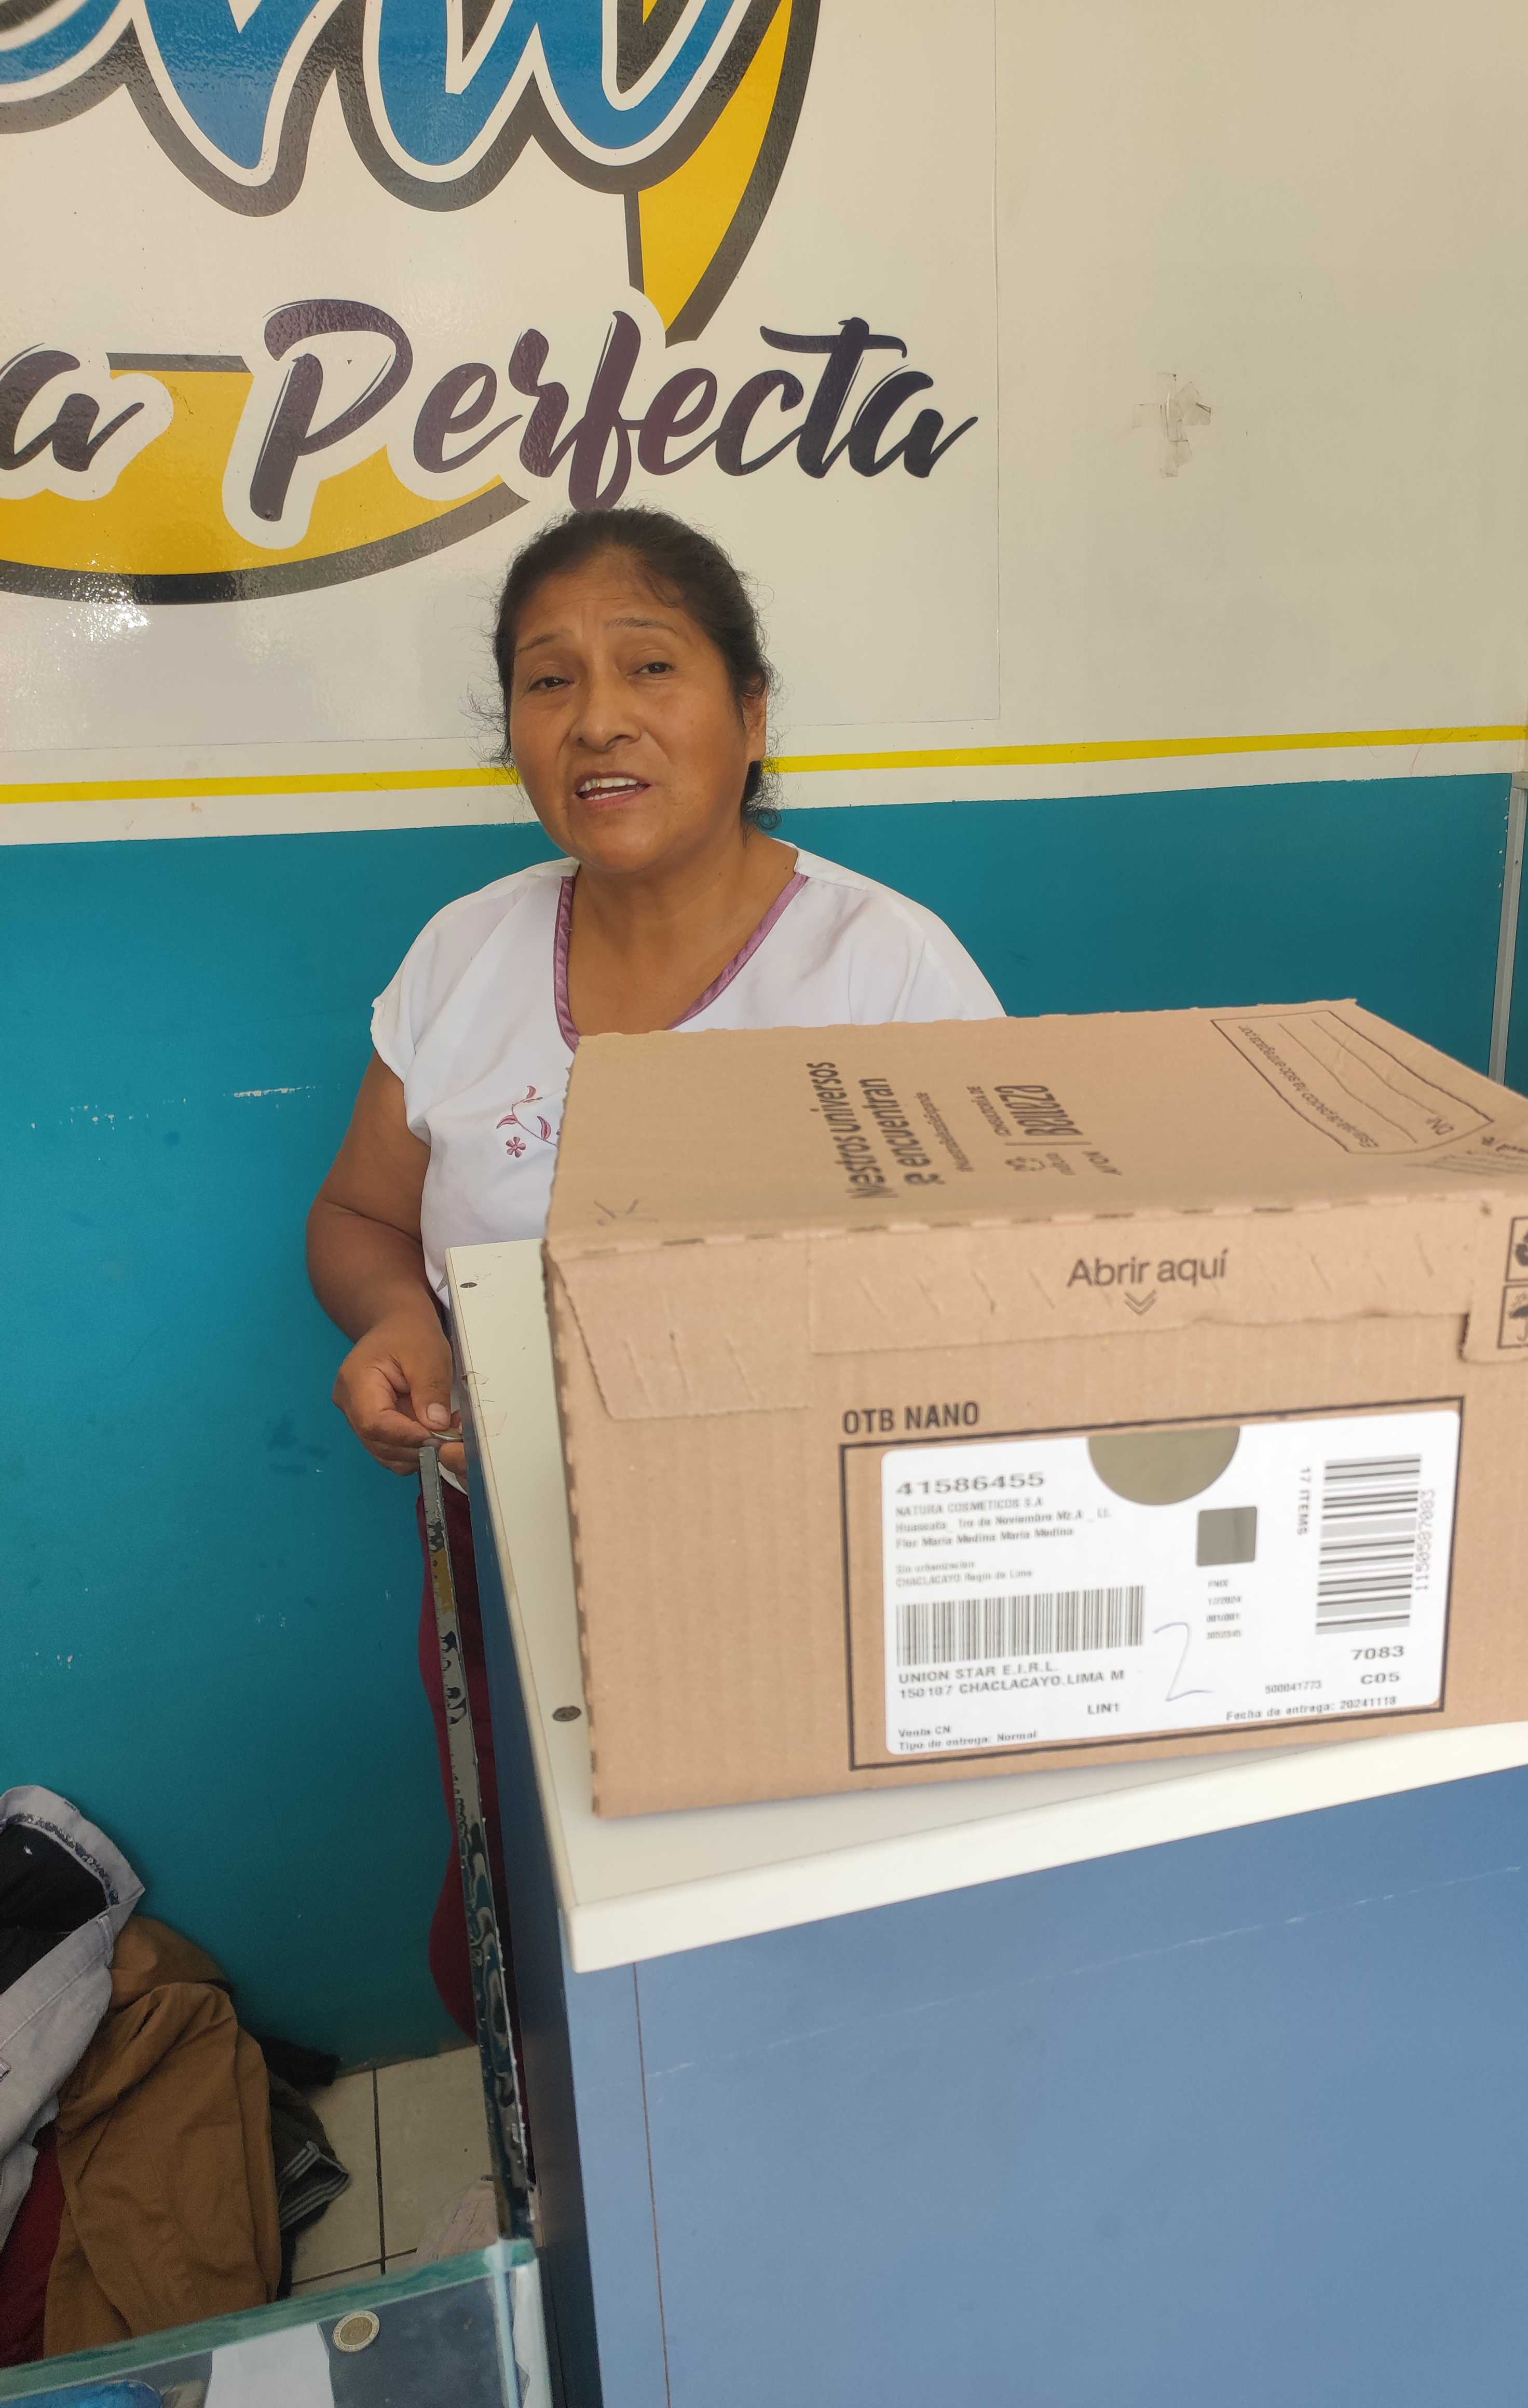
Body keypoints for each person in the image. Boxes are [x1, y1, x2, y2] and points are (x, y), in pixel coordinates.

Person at [307, 506, 1001, 2034]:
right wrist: (400, 1320)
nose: (597, 718)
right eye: (548, 680)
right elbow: (360, 1215)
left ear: (752, 713)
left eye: (649, 667)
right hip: (509, 1556)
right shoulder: (462, 957)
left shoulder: (886, 970)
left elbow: (992, 1296)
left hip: (795, 1572)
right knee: (541, 1924)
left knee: (780, 1961)